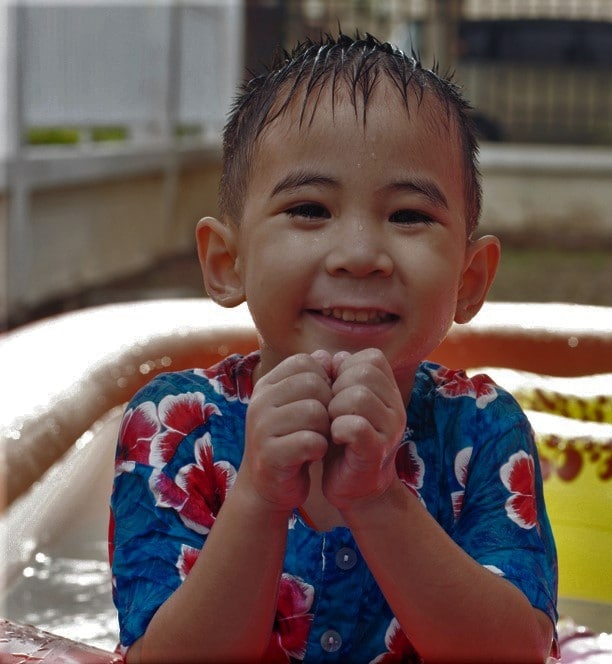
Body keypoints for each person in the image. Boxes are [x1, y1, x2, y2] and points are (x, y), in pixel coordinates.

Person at [110, 33, 558, 663]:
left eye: (409, 216)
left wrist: (378, 499)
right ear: (226, 262)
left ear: (469, 279)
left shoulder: (483, 430)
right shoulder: (176, 428)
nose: (359, 255)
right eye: (310, 208)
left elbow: (517, 654)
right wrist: (260, 497)